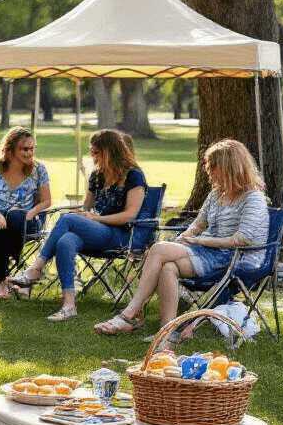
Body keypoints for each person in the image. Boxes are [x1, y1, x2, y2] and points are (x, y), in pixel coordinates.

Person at [94, 138, 269, 336]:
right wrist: (186, 236)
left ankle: (129, 315)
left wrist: (199, 241)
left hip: (236, 258)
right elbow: (198, 224)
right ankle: (167, 331)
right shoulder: (216, 194)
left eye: (212, 166)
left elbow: (241, 240)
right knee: (168, 267)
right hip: (210, 252)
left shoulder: (252, 198)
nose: (208, 170)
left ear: (228, 167)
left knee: (159, 249)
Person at [10, 130, 147, 322]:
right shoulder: (96, 176)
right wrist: (82, 213)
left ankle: (36, 269)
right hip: (97, 231)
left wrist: (94, 219)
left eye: (95, 151)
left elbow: (129, 215)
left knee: (67, 220)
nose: (92, 155)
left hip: (121, 235)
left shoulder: (134, 176)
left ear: (109, 151)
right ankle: (68, 305)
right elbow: (87, 207)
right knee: (66, 240)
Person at [0, 127, 52, 299]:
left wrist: (30, 213)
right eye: (25, 149)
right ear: (10, 149)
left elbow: (47, 201)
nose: (30, 153)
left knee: (16, 215)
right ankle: (4, 281)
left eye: (32, 148)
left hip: (24, 220)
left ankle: (10, 277)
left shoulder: (39, 169)